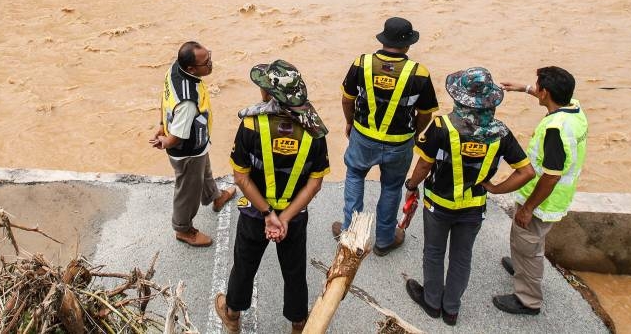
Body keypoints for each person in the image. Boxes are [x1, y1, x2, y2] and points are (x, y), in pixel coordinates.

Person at [404, 68, 534, 326]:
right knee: (462, 256)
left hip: (438, 204)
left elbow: (423, 166)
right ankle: (451, 310)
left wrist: (411, 185)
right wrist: (496, 189)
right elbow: (527, 172)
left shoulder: (441, 127)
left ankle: (431, 302)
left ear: (458, 98)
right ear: (491, 101)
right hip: (474, 206)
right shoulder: (501, 133)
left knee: (434, 251)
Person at [215, 60, 330, 334]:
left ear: (269, 95)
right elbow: (314, 184)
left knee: (244, 264)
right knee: (294, 272)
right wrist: (285, 218)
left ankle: (232, 316)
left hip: (256, 214)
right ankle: (298, 325)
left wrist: (269, 215)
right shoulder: (315, 131)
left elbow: (240, 177)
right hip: (294, 217)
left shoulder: (252, 125)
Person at [335, 17, 440, 255]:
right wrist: (414, 135)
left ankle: (351, 235)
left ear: (384, 39)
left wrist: (350, 122)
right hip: (399, 143)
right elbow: (426, 113)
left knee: (354, 176)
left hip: (363, 137)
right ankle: (384, 240)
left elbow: (347, 99)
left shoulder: (362, 63)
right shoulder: (419, 73)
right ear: (408, 45)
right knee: (391, 187)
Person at [493, 67, 588, 316]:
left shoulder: (555, 130)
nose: (535, 89)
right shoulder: (574, 109)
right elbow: (546, 96)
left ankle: (528, 300)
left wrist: (528, 208)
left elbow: (551, 176)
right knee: (531, 240)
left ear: (545, 93)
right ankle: (521, 266)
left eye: (537, 87)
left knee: (527, 243)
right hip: (557, 199)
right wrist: (523, 88)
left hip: (543, 201)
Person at [151, 42, 236, 247]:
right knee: (188, 190)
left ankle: (215, 196)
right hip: (186, 150)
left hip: (197, 144)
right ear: (191, 68)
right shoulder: (188, 101)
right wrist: (165, 140)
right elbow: (177, 138)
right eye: (206, 62)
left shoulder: (174, 69)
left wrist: (162, 124)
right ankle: (183, 229)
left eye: (209, 57)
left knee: (204, 170)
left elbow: (164, 98)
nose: (211, 64)